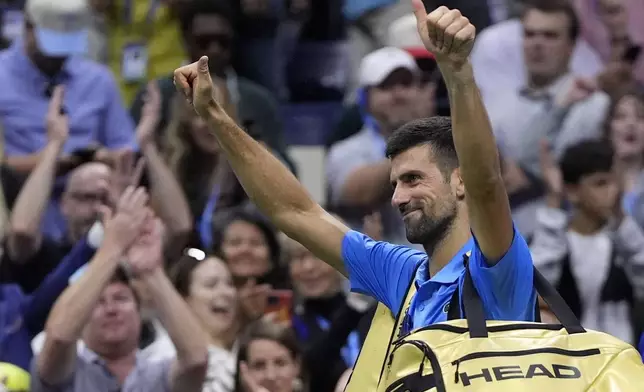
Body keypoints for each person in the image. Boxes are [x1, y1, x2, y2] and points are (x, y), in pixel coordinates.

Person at [172, 0, 536, 338]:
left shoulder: (497, 263)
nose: (398, 197)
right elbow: (295, 211)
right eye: (395, 184)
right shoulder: (400, 272)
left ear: (459, 181)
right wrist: (216, 117)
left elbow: (486, 180)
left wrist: (457, 72)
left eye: (413, 180)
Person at [31, 187, 209, 392]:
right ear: (80, 320)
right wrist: (112, 247)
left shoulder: (156, 375)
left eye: (121, 298)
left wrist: (151, 271)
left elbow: (196, 360)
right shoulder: (65, 374)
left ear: (138, 310)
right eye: (98, 302)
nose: (111, 309)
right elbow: (59, 337)